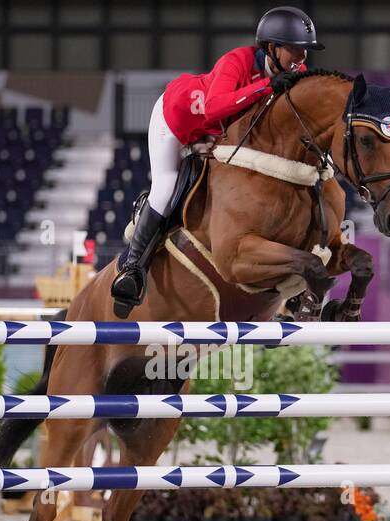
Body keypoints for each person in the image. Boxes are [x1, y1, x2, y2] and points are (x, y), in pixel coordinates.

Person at [110, 6, 323, 312]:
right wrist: (265, 86)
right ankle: (132, 269)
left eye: (305, 51)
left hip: (218, 134)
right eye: (295, 50)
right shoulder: (236, 60)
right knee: (166, 186)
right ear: (272, 48)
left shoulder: (295, 74)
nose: (302, 58)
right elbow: (212, 110)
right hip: (177, 120)